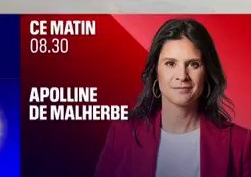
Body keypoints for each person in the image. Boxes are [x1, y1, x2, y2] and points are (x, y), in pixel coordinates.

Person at [95, 18, 251, 177]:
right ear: (156, 70)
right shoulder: (123, 133)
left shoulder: (241, 142)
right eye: (170, 63)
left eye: (193, 64)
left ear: (207, 73)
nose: (182, 76)